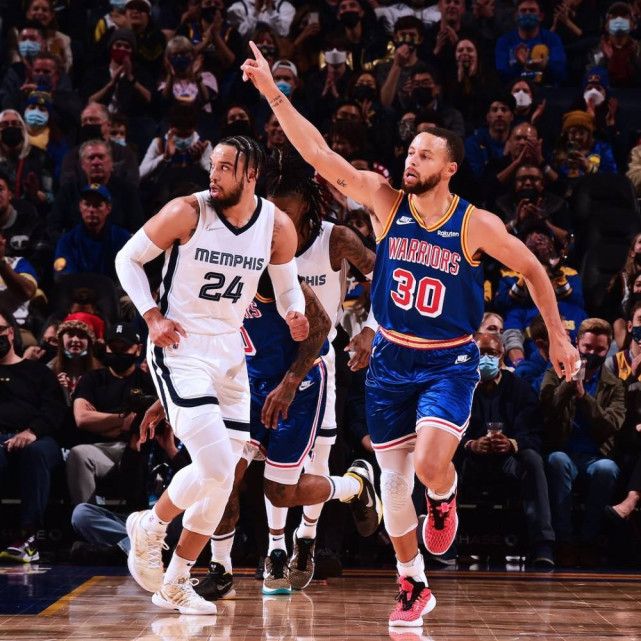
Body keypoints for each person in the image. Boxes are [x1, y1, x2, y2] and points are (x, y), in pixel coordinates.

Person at [241, 42, 577, 627]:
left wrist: (559, 338)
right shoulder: (383, 202)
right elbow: (319, 153)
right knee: (393, 486)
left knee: (427, 467)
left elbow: (531, 267)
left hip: (448, 362)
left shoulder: (474, 224)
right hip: (391, 363)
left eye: (425, 155)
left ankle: (443, 498)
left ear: (449, 169)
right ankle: (413, 583)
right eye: (410, 151)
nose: (411, 160)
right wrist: (273, 92)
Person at [115, 135, 374, 615]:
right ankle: (151, 526)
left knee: (221, 479)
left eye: (225, 167)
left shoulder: (276, 226)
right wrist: (151, 316)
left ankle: (176, 581)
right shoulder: (187, 212)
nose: (214, 175)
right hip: (182, 347)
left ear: (251, 175)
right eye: (213, 166)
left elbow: (288, 289)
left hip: (232, 354)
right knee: (219, 469)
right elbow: (126, 258)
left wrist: (294, 312)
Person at [459, 332, 555, 567]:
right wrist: (471, 443)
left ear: (502, 355)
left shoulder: (519, 389)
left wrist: (512, 443)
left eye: (491, 353)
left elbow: (536, 434)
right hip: (471, 460)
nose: (486, 358)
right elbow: (445, 430)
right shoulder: (460, 387)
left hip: (508, 461)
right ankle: (444, 545)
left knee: (532, 460)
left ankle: (543, 546)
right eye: (480, 353)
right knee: (443, 461)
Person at [541, 318, 624, 567]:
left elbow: (609, 426)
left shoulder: (614, 385)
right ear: (577, 344)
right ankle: (564, 541)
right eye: (587, 347)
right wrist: (568, 385)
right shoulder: (554, 373)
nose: (592, 353)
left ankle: (589, 541)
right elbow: (545, 412)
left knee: (607, 469)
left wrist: (583, 396)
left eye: (600, 349)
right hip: (563, 450)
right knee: (557, 461)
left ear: (608, 349)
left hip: (596, 455)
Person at [0, 306, 66, 563]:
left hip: (38, 438)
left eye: (0, 330)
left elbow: (54, 410)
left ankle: (29, 536)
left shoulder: (37, 372)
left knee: (35, 453)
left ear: (10, 332)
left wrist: (32, 432)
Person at [67, 323, 153, 506]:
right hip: (99, 449)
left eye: (124, 348)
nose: (118, 353)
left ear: (138, 349)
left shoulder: (147, 382)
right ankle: (86, 517)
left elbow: (144, 423)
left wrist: (101, 421)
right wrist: (123, 420)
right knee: (78, 454)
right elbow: (82, 419)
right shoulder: (92, 379)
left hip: (136, 447)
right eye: (113, 347)